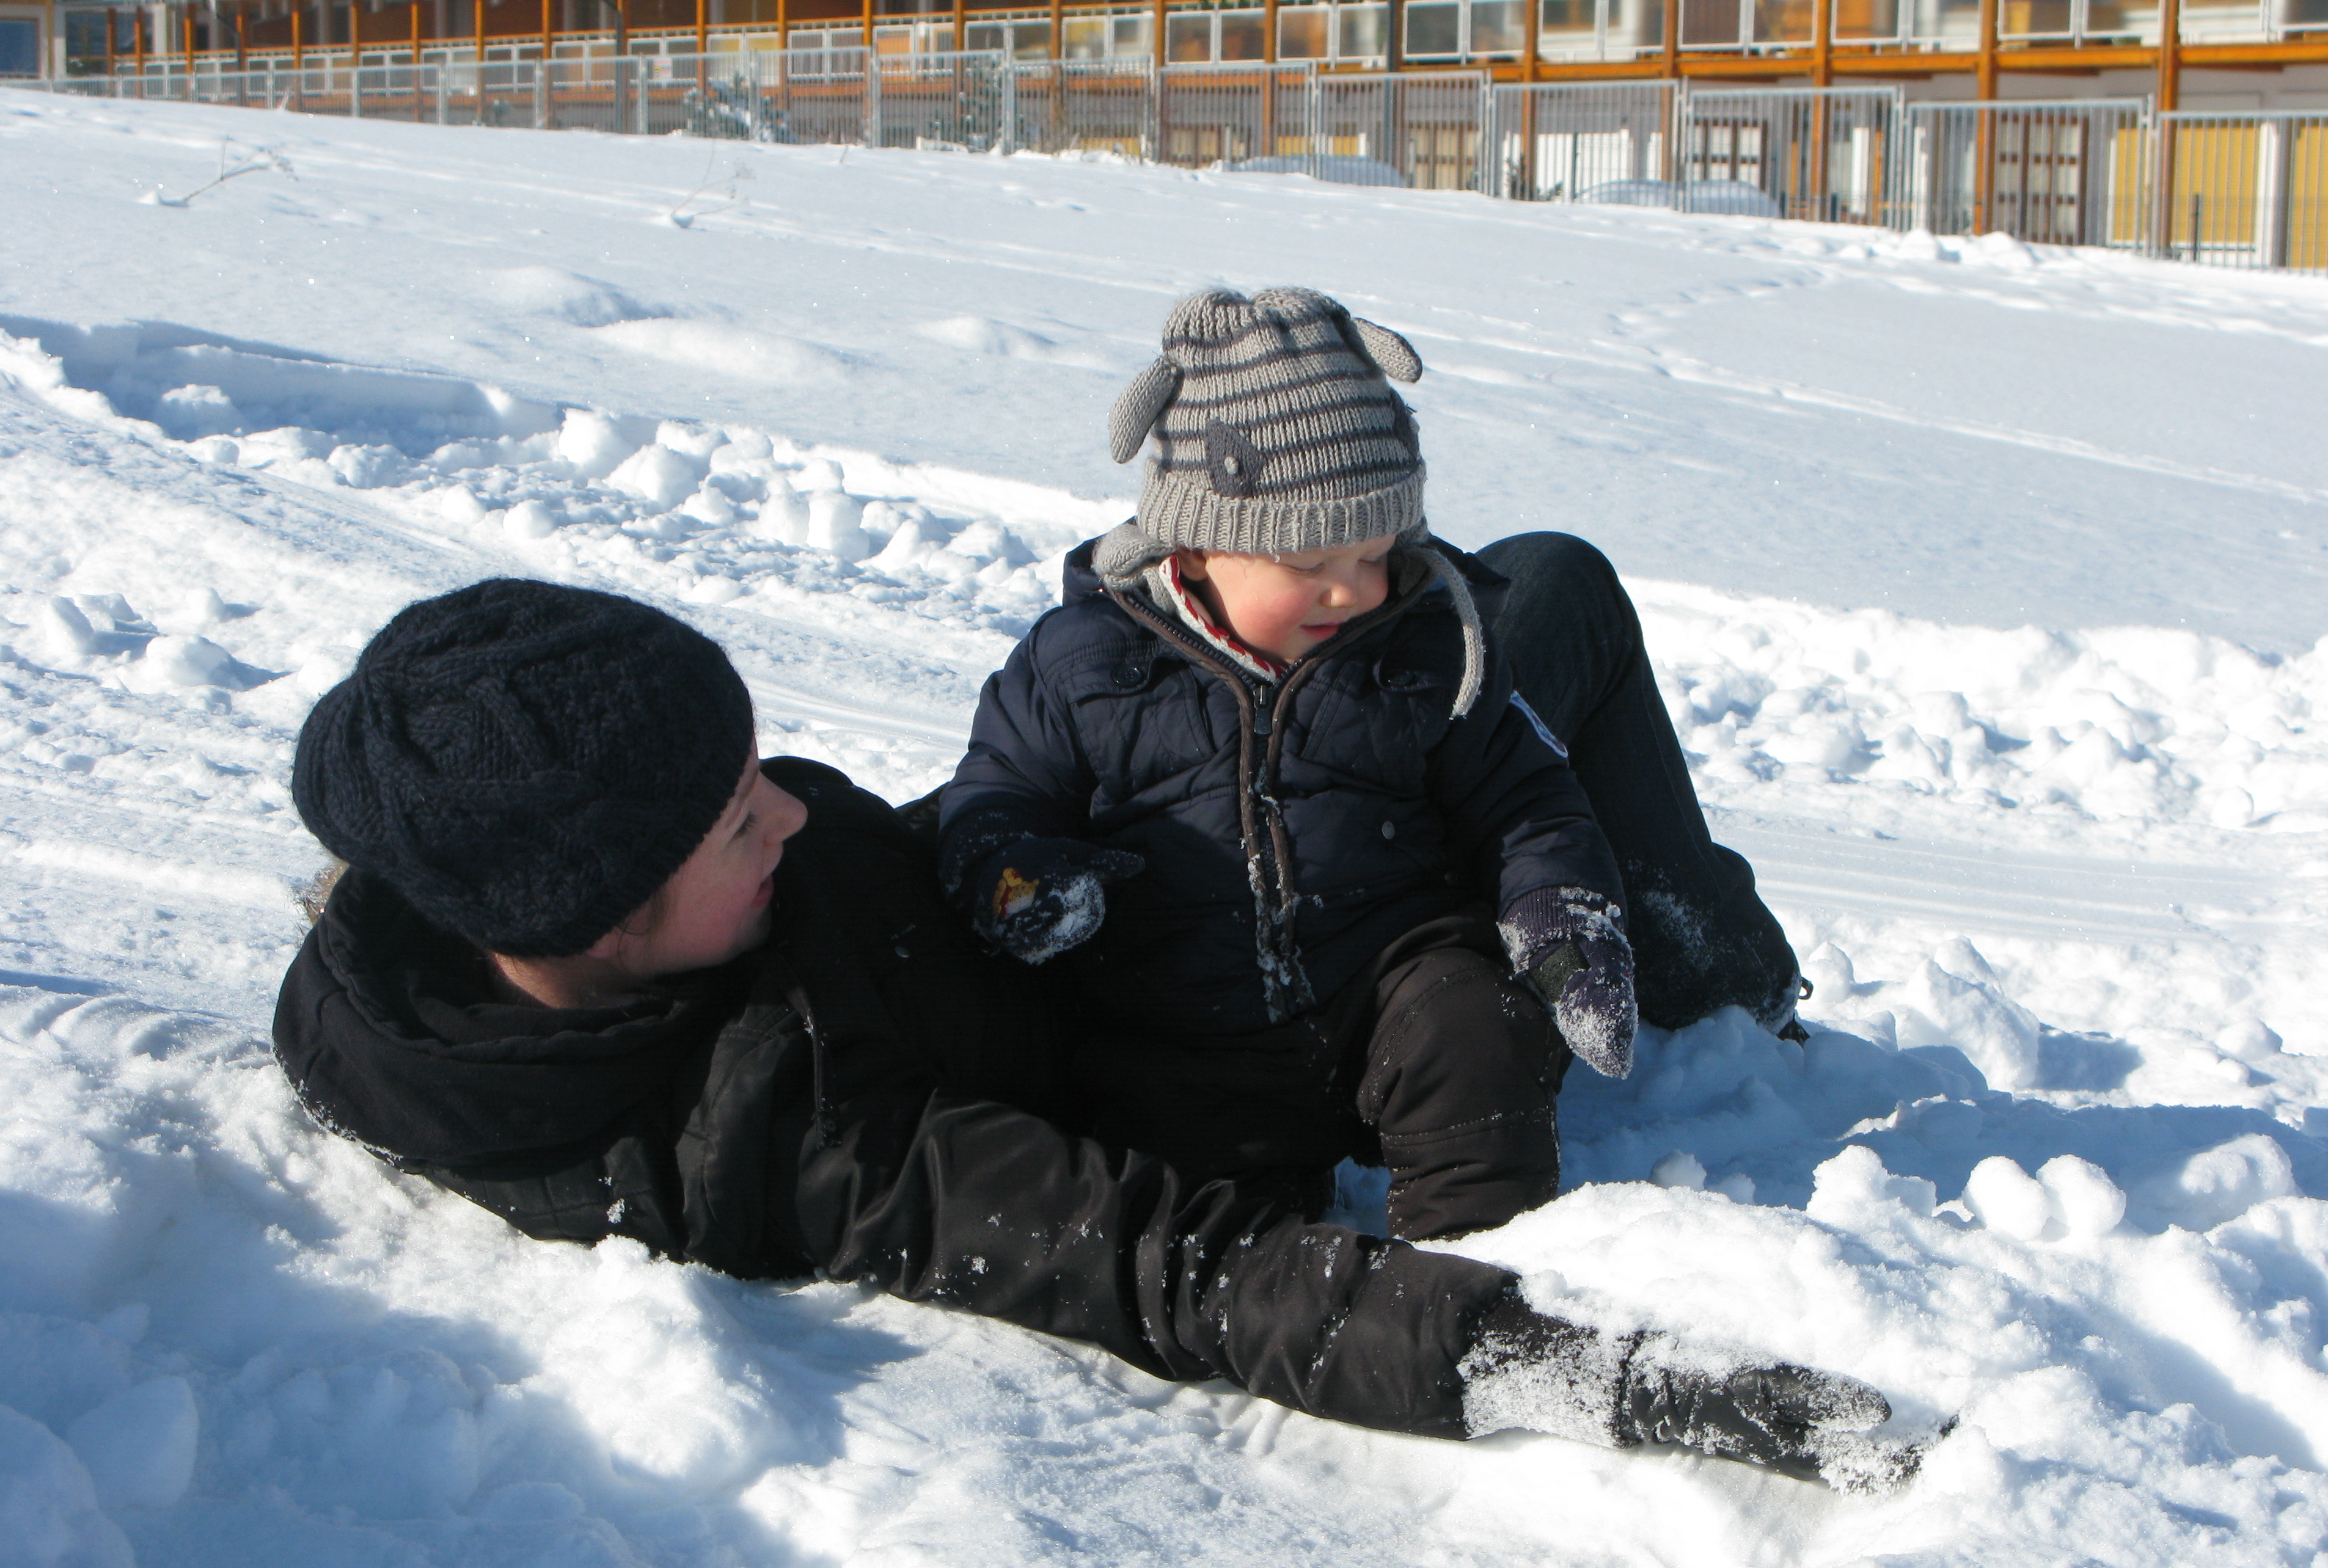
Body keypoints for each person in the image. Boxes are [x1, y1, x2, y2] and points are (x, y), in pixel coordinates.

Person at [271, 581, 1902, 1488]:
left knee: (1525, 591)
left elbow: (896, 850)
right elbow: (1185, 1273)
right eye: (734, 822)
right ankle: (1723, 990)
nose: (785, 812)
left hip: (1103, 882)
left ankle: (1708, 968)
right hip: (1260, 1012)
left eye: (757, 773)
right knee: (1554, 633)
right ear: (600, 923)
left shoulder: (501, 870)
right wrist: (1602, 1371)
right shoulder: (801, 1138)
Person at [937, 286, 1632, 1241]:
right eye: (1311, 566)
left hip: (1386, 987)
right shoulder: (1086, 665)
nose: (1353, 590)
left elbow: (1527, 800)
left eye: (1377, 554)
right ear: (1197, 548)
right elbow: (999, 792)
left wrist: (1560, 914)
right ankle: (1268, 1258)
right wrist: (1016, 878)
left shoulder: (1430, 655)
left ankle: (1476, 1264)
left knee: (1476, 1028)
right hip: (1179, 1020)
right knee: (1171, 1193)